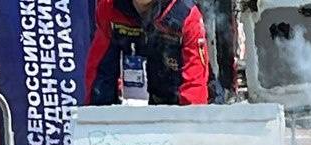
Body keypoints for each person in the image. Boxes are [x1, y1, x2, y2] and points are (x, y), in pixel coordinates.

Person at [86, 0, 223, 106]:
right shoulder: (110, 9)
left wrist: (191, 132)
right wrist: (97, 125)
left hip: (199, 104)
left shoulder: (186, 14)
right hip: (153, 101)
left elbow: (195, 86)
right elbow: (99, 73)